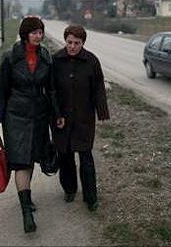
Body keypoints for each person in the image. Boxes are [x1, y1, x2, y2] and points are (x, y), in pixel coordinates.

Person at [0, 16, 64, 233]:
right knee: (21, 161)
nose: (38, 36)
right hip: (15, 115)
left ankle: (26, 198)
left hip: (39, 114)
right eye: (34, 32)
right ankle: (26, 213)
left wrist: (57, 113)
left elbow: (51, 89)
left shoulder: (45, 56)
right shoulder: (10, 57)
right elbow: (1, 90)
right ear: (25, 34)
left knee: (30, 157)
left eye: (41, 32)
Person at [52, 24, 110, 211]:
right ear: (65, 41)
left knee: (86, 156)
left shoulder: (91, 61)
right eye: (69, 42)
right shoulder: (56, 60)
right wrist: (55, 113)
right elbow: (51, 90)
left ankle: (91, 197)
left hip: (84, 118)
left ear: (83, 43)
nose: (72, 46)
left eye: (77, 43)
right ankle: (69, 189)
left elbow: (99, 88)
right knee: (65, 156)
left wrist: (102, 111)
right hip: (61, 119)